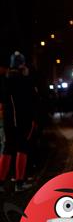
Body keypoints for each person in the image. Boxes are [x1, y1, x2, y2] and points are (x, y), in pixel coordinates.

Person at [0, 51, 39, 193]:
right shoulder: (25, 80)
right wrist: (34, 119)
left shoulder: (5, 80)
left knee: (7, 149)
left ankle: (1, 182)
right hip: (24, 119)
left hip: (8, 120)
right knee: (22, 149)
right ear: (22, 65)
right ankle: (19, 182)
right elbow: (34, 100)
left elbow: (3, 100)